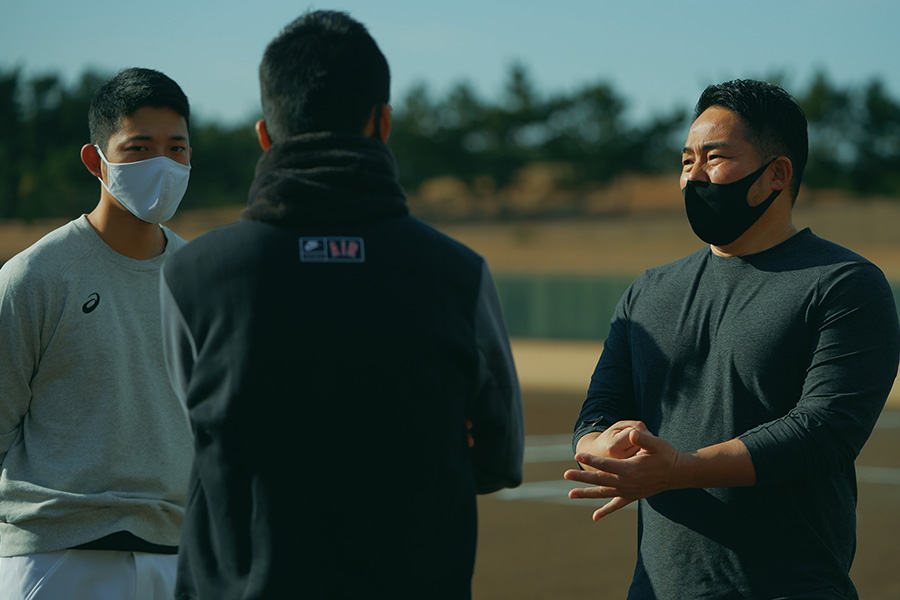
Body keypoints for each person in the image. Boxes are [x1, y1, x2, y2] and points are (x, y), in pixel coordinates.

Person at [159, 10, 524, 599]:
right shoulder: (458, 273)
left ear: (264, 135)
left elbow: (201, 435)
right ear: (382, 123)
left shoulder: (192, 275)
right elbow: (502, 455)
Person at [564, 79, 900, 599]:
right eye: (685, 161)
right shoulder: (649, 290)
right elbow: (600, 408)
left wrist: (681, 470)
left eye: (714, 158)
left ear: (777, 175)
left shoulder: (845, 283)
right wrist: (598, 444)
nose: (694, 176)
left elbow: (825, 431)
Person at [0, 68, 194, 599]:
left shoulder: (200, 279)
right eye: (139, 148)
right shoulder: (34, 277)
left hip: (179, 560)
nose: (163, 164)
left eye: (177, 148)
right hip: (57, 558)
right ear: (96, 161)